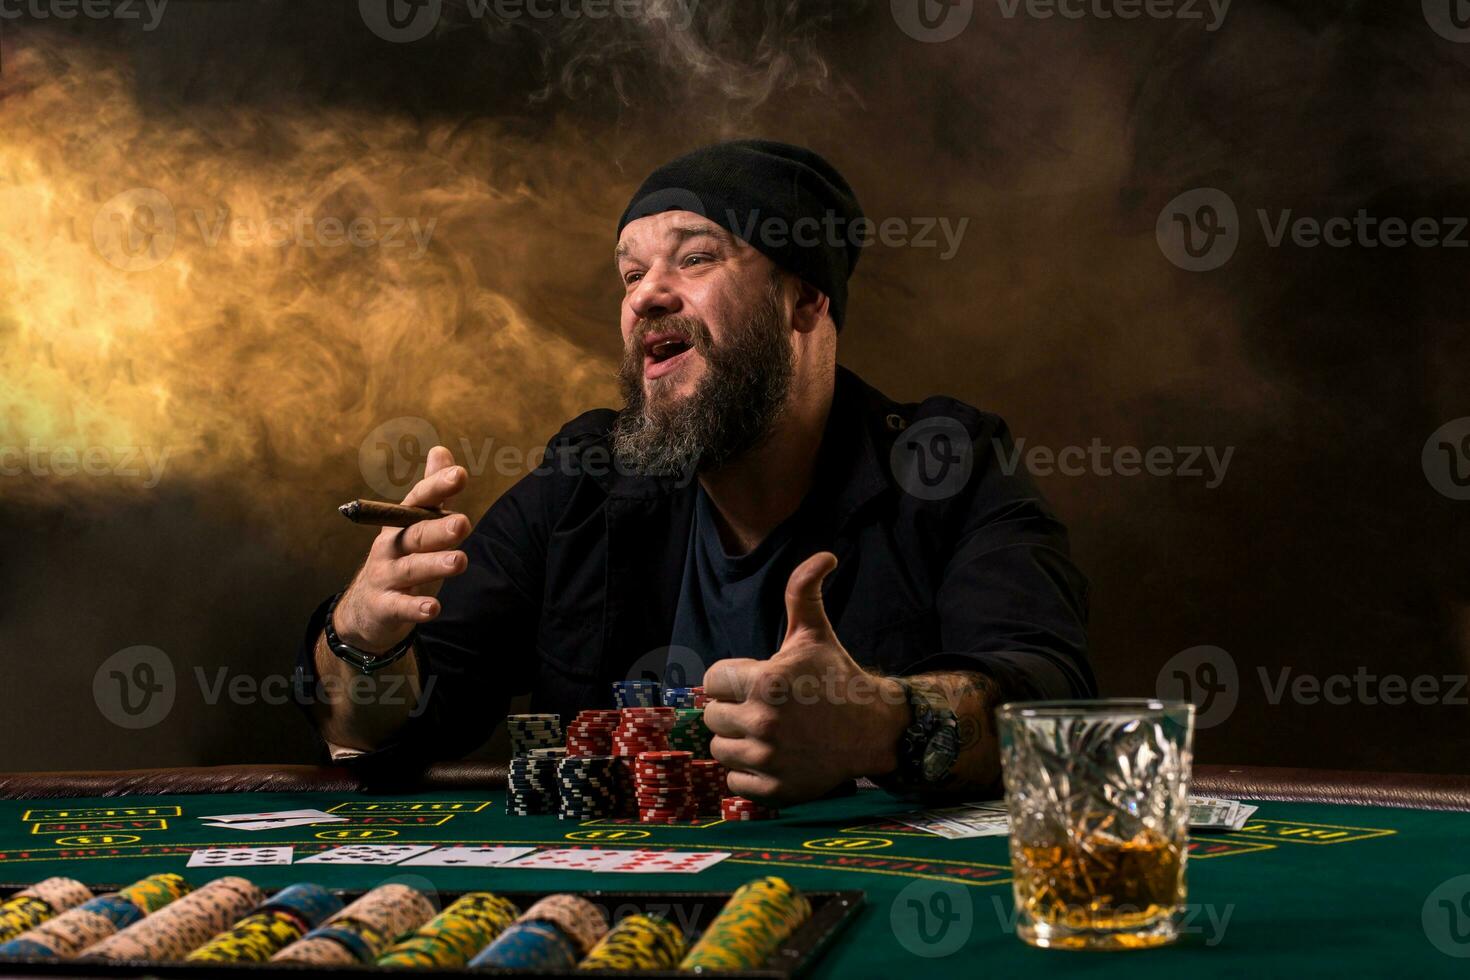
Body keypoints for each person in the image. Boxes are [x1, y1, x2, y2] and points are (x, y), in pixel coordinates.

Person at [294, 140, 1094, 803]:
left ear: (805, 300)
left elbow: (1056, 703)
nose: (646, 296)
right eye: (630, 273)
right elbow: (375, 732)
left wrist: (884, 725)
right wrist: (363, 640)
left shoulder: (947, 463)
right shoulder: (584, 478)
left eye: (696, 258)